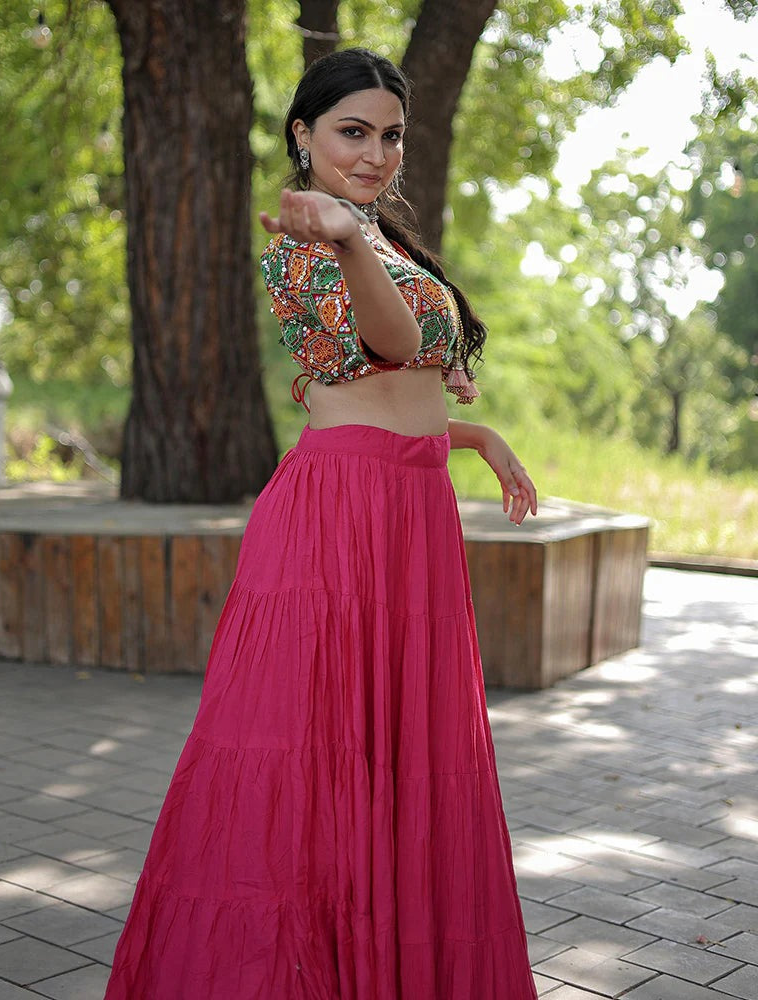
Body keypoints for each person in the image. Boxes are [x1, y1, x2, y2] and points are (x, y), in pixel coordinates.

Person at [104, 47, 538, 999]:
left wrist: (479, 436)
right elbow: (389, 344)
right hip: (339, 520)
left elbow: (403, 392)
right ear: (303, 135)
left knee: (405, 762)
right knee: (317, 766)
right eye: (353, 132)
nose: (376, 154)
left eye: (391, 135)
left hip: (412, 510)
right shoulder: (305, 241)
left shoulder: (378, 236)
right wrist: (344, 238)